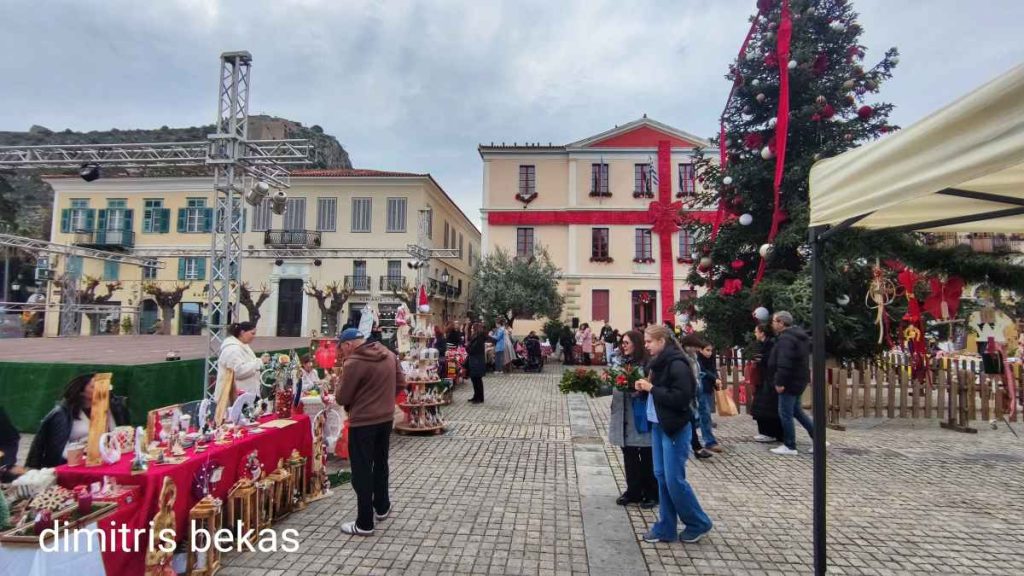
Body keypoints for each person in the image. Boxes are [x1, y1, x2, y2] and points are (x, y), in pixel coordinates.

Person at [634, 325, 713, 543]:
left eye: (649, 341)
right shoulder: (657, 363)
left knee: (674, 480)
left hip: (675, 427)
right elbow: (658, 393)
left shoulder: (677, 364)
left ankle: (698, 522)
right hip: (659, 425)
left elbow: (681, 398)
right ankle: (665, 527)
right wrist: (643, 390)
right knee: (662, 477)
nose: (646, 345)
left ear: (662, 341)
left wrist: (651, 389)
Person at [336, 327, 406, 536]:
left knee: (361, 471)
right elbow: (401, 382)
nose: (342, 353)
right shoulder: (389, 355)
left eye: (341, 348)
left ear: (348, 345)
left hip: (363, 422)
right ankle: (382, 507)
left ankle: (364, 522)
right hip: (385, 418)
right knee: (381, 463)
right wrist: (384, 400)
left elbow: (342, 398)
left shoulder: (354, 362)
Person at [26, 373, 122, 469]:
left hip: (108, 457)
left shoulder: (112, 407)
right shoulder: (62, 413)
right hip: (75, 461)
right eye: (94, 387)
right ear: (81, 391)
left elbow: (118, 433)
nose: (102, 390)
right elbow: (57, 450)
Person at [607, 330, 658, 508]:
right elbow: (612, 384)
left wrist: (637, 388)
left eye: (627, 342)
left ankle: (651, 492)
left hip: (640, 415)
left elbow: (651, 387)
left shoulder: (647, 364)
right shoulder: (618, 361)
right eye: (622, 342)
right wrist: (591, 386)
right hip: (621, 415)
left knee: (646, 455)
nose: (623, 345)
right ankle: (633, 491)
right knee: (629, 456)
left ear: (636, 344)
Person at [767, 311, 815, 455]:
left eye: (774, 321)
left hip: (789, 382)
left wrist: (780, 382)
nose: (772, 324)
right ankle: (818, 438)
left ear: (781, 323)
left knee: (785, 413)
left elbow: (784, 362)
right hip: (798, 380)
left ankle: (790, 445)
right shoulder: (798, 336)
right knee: (796, 411)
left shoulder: (786, 339)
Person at [679, 335, 713, 459]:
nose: (696, 350)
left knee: (692, 419)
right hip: (686, 393)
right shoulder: (682, 358)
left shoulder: (694, 357)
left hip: (695, 391)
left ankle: (696, 446)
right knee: (690, 420)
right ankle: (696, 447)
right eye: (694, 347)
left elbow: (697, 374)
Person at [214, 321, 268, 398]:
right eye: (252, 333)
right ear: (242, 332)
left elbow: (248, 364)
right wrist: (259, 362)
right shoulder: (232, 349)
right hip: (233, 397)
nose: (254, 336)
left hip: (243, 396)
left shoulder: (243, 346)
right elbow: (237, 372)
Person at [750, 324, 784, 442]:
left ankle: (772, 433)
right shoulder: (761, 344)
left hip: (769, 380)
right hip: (762, 379)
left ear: (762, 332)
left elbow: (772, 360)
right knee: (761, 408)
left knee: (768, 408)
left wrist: (762, 359)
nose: (755, 334)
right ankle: (764, 432)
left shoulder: (771, 344)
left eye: (756, 331)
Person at [696, 343, 723, 453]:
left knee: (702, 415)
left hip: (708, 388)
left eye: (711, 350)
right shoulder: (697, 359)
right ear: (701, 350)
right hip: (700, 388)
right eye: (707, 350)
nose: (709, 353)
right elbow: (703, 371)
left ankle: (704, 439)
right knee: (705, 414)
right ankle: (709, 441)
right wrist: (714, 378)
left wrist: (716, 379)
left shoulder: (711, 358)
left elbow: (713, 369)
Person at [466, 322, 496, 403]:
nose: (472, 329)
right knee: (474, 379)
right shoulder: (475, 336)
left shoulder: (479, 337)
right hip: (475, 359)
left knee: (477, 379)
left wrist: (468, 347)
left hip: (477, 360)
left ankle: (479, 397)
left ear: (476, 329)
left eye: (473, 328)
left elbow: (473, 349)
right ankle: (476, 396)